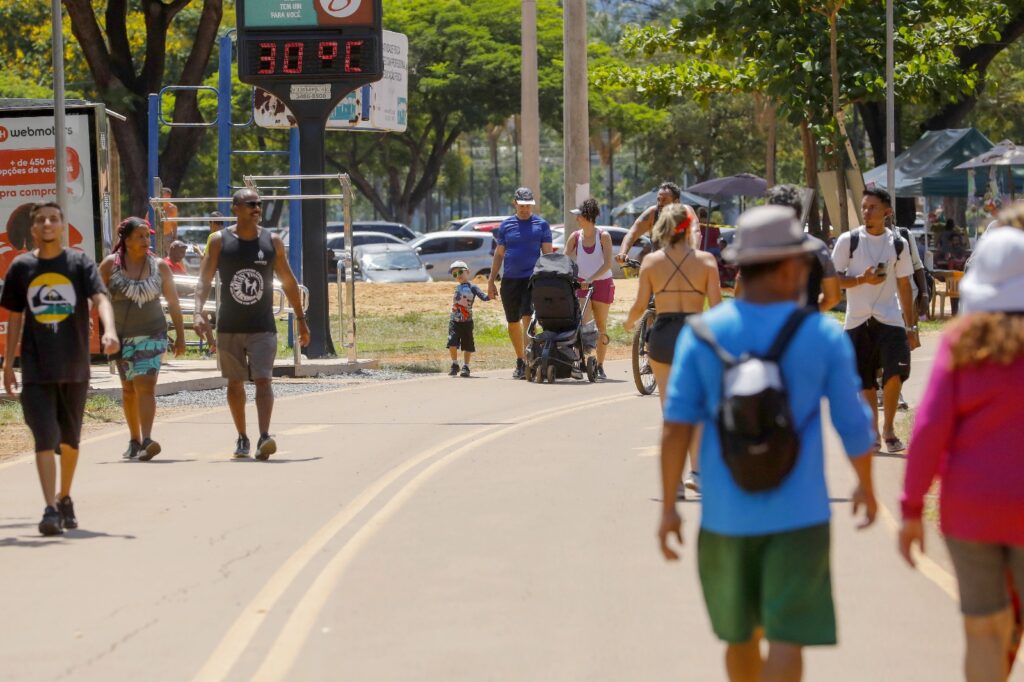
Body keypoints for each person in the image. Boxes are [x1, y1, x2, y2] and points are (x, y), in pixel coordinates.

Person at [659, 204, 877, 682]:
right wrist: (866, 486)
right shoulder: (821, 335)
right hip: (800, 517)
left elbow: (675, 426)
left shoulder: (702, 335)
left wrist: (669, 507)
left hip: (724, 518)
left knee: (740, 637)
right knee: (786, 638)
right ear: (787, 266)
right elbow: (854, 425)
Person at [900, 225, 1024, 682]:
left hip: (971, 510)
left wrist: (912, 508)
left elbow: (930, 429)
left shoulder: (962, 343)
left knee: (983, 631)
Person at [1, 202, 120, 535]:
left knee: (69, 441)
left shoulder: (79, 263)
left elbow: (100, 298)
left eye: (54, 218)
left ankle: (64, 495)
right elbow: (14, 317)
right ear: (33, 229)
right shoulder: (21, 267)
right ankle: (50, 508)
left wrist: (109, 330)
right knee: (44, 438)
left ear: (63, 225)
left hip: (74, 367)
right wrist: (8, 364)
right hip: (37, 370)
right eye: (41, 220)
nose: (48, 223)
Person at [194, 189, 309, 459]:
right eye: (250, 204)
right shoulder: (220, 241)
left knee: (263, 380)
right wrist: (198, 312)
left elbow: (289, 282)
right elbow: (204, 279)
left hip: (262, 326)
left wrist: (301, 319)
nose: (256, 208)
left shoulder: (273, 242)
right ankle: (243, 437)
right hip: (229, 326)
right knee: (235, 383)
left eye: (259, 204)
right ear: (235, 208)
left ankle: (264, 436)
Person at [624, 203, 721, 494]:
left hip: (663, 335)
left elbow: (640, 307)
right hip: (695, 335)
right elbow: (717, 307)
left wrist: (629, 323)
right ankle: (698, 473)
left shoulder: (653, 262)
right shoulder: (705, 262)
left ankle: (675, 483)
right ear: (689, 228)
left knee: (670, 412)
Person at [832, 187, 920, 453]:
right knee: (865, 379)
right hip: (857, 320)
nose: (866, 212)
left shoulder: (898, 244)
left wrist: (911, 326)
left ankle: (889, 427)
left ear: (887, 212)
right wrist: (862, 280)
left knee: (896, 373)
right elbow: (834, 280)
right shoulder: (849, 241)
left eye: (872, 208)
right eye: (864, 207)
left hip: (890, 318)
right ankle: (873, 430)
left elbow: (904, 285)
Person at [99, 217, 187, 461]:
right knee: (128, 389)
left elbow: (173, 302)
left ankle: (147, 438)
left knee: (145, 385)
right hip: (121, 337)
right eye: (140, 236)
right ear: (126, 240)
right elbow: (96, 298)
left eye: (147, 236)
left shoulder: (160, 266)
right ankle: (134, 439)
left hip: (153, 333)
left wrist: (180, 336)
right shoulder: (109, 266)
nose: (145, 240)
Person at [735, 185, 841, 312]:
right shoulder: (817, 249)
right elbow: (832, 298)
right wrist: (806, 315)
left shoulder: (757, 247)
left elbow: (739, 295)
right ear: (798, 215)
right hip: (804, 329)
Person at [487, 187, 553, 379]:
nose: (525, 209)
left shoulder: (541, 225)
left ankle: (530, 360)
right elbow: (499, 255)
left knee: (528, 318)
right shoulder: (506, 226)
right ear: (515, 203)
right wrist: (491, 281)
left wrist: (551, 277)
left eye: (528, 206)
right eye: (521, 205)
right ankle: (519, 359)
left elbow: (548, 254)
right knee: (513, 322)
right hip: (509, 281)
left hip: (532, 280)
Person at [564, 198, 614, 380]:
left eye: (579, 216)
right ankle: (580, 362)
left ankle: (599, 365)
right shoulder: (575, 237)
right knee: (582, 324)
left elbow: (608, 263)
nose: (577, 219)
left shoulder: (604, 236)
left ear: (587, 216)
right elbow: (564, 258)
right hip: (582, 285)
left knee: (601, 325)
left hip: (601, 283)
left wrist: (591, 279)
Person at [617, 181, 682, 260]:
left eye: (664, 200)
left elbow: (696, 234)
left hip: (682, 267)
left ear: (676, 202)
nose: (660, 203)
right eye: (658, 199)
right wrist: (623, 253)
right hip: (658, 266)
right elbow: (632, 234)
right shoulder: (652, 213)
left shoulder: (686, 213)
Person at [447, 259, 490, 377]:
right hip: (454, 321)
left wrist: (490, 295)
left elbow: (483, 296)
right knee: (452, 342)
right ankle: (455, 364)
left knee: (467, 344)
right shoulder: (457, 287)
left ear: (468, 272)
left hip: (467, 321)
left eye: (460, 272)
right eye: (454, 274)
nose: (458, 276)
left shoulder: (473, 287)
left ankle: (466, 366)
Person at [160, 188, 178, 254]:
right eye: (165, 195)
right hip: (157, 234)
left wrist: (175, 236)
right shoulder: (156, 206)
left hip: (168, 235)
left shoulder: (173, 208)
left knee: (172, 254)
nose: (166, 196)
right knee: (157, 255)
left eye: (168, 195)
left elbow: (174, 223)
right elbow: (147, 219)